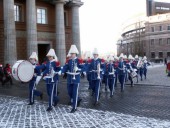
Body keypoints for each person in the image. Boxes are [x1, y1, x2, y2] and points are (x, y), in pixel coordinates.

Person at [60, 45, 85, 113]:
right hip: (69, 78)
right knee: (69, 92)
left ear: (75, 54)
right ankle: (78, 99)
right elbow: (65, 67)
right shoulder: (69, 61)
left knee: (74, 93)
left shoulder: (79, 60)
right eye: (71, 53)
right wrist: (62, 72)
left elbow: (84, 68)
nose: (71, 55)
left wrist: (79, 69)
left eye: (73, 54)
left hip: (76, 79)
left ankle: (74, 107)